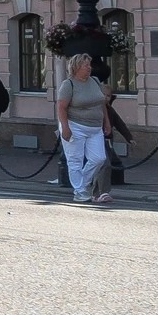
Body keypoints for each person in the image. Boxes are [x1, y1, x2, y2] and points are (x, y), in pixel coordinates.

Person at [56, 52, 112, 204]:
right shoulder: (69, 85)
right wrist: (65, 128)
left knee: (99, 158)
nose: (89, 68)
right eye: (86, 65)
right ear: (76, 67)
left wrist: (106, 122)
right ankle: (80, 192)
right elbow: (61, 107)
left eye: (89, 65)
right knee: (75, 160)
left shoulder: (94, 81)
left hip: (95, 127)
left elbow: (102, 103)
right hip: (75, 126)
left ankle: (83, 185)